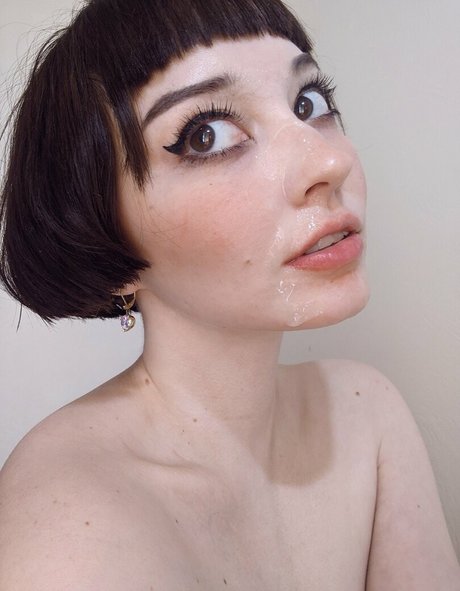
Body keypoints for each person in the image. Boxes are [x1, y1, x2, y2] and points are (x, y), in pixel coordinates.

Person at [0, 0, 459, 588]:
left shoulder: (366, 410)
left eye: (309, 103)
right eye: (207, 135)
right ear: (100, 241)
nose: (329, 160)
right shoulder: (66, 533)